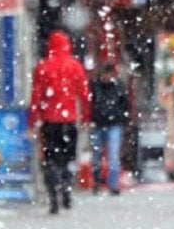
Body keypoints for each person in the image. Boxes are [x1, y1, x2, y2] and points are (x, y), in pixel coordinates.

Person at [28, 30, 90, 214]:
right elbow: (84, 95)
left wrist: (33, 121)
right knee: (68, 158)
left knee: (50, 160)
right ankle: (67, 190)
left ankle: (53, 197)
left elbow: (36, 96)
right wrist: (85, 117)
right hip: (69, 120)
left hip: (49, 121)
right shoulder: (75, 66)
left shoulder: (42, 67)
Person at [89, 63, 129, 196]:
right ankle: (99, 182)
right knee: (99, 155)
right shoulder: (97, 86)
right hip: (101, 123)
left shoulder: (115, 87)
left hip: (111, 123)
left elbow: (125, 104)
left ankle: (110, 183)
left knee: (111, 155)